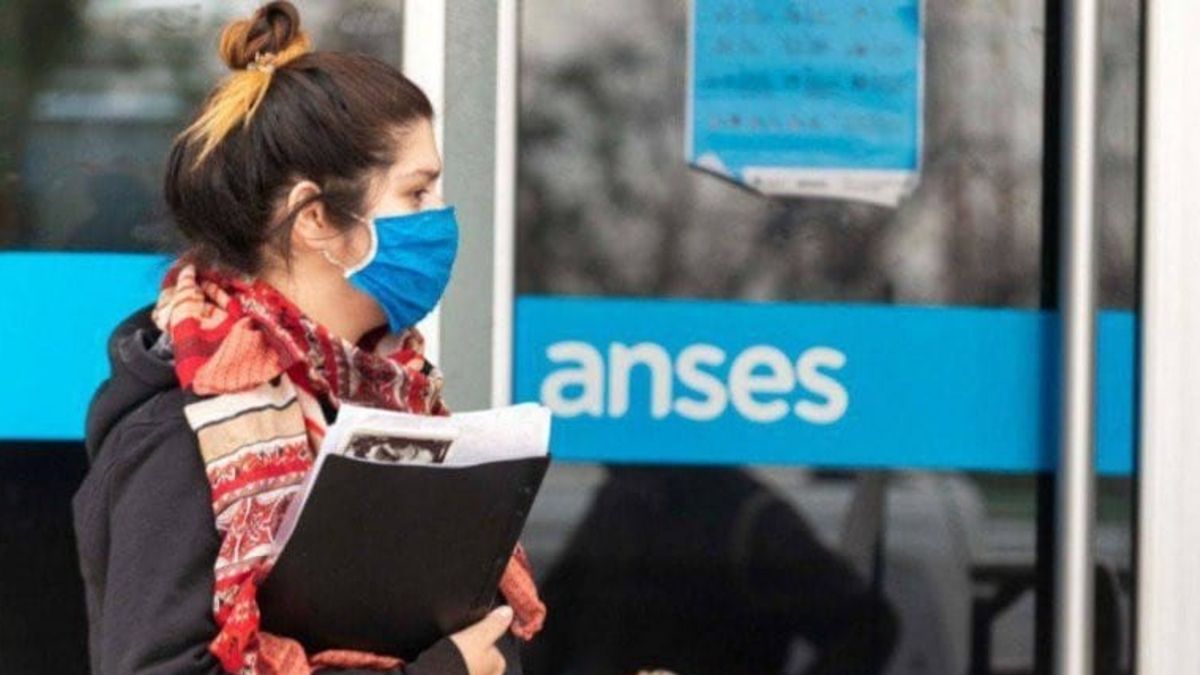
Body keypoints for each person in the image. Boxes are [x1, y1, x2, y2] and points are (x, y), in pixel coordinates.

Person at [71, 3, 544, 674]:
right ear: (316, 217)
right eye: (416, 193)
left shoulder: (389, 400)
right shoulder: (181, 430)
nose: (439, 219)